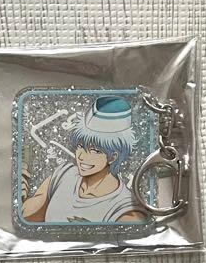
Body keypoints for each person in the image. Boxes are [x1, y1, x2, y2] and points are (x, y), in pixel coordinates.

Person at [21, 95, 145, 224]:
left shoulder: (125, 208)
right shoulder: (64, 173)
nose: (81, 156)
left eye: (94, 151)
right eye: (80, 146)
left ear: (113, 157)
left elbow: (129, 232)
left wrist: (91, 232)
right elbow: (30, 217)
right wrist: (21, 196)